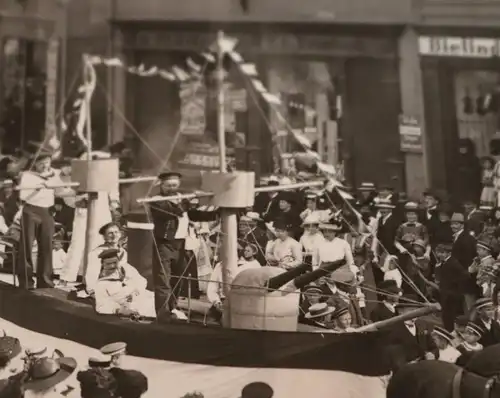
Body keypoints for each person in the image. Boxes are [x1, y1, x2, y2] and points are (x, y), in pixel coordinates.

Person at [17, 152, 73, 289]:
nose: (44, 165)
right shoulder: (27, 176)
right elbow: (23, 195)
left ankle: (45, 281)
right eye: (40, 163)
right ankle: (26, 282)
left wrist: (74, 191)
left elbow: (60, 192)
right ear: (35, 163)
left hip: (47, 211)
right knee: (27, 247)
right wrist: (41, 186)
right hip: (30, 210)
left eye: (47, 162)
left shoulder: (54, 175)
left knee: (47, 247)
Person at [94, 248, 156, 318]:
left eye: (115, 263)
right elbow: (101, 306)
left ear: (118, 261)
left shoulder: (126, 268)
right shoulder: (101, 284)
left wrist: (136, 291)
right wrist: (119, 310)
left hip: (144, 297)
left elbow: (142, 281)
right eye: (108, 264)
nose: (112, 266)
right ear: (103, 264)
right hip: (130, 307)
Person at [206, 243, 261, 323]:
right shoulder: (219, 266)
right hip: (222, 301)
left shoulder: (251, 266)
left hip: (242, 303)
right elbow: (212, 286)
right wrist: (216, 301)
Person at [82, 222, 127, 295]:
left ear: (120, 234)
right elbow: (91, 274)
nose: (114, 235)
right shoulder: (97, 252)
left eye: (116, 232)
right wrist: (92, 292)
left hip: (121, 287)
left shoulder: (124, 252)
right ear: (104, 237)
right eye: (110, 233)